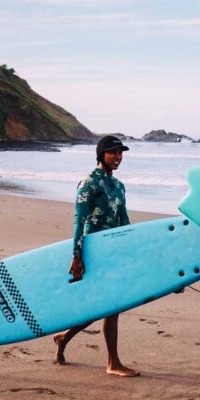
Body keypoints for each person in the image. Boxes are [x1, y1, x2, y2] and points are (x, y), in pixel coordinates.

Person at [53, 135, 139, 377]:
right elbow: (79, 220)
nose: (118, 157)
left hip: (115, 253)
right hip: (95, 253)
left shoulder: (119, 186)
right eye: (113, 152)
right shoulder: (88, 183)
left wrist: (133, 249)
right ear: (101, 154)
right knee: (108, 306)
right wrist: (77, 255)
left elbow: (124, 222)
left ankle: (64, 338)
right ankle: (113, 363)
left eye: (121, 152)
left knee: (106, 306)